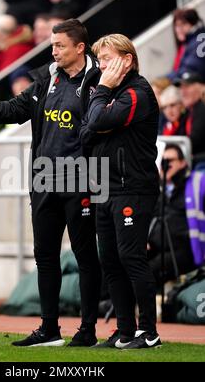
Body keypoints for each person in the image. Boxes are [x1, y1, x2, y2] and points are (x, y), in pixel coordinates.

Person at [0, 19, 102, 348]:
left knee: (86, 257)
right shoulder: (47, 78)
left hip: (85, 177)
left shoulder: (100, 80)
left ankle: (87, 329)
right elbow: (14, 109)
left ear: (80, 48)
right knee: (44, 255)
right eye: (52, 45)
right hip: (43, 176)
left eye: (59, 46)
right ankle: (49, 328)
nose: (52, 51)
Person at [80, 34, 162, 350]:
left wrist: (101, 101)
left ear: (126, 60)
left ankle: (149, 332)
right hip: (105, 187)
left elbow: (96, 119)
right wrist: (99, 115)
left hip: (134, 189)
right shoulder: (108, 93)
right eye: (99, 60)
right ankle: (124, 331)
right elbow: (86, 131)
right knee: (111, 261)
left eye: (106, 59)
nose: (101, 66)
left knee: (131, 257)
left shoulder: (138, 92)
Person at [148, 144, 197, 286]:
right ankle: (105, 303)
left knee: (148, 270)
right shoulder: (159, 193)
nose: (165, 165)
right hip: (156, 247)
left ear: (183, 163)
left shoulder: (192, 189)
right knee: (123, 260)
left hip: (183, 249)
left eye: (170, 161)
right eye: (163, 161)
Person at [168, 8, 205, 82]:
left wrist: (167, 79)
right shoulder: (185, 45)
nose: (179, 29)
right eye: (177, 25)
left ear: (193, 25)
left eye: (183, 24)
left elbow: (191, 68)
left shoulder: (199, 41)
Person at [174, 71, 205, 158]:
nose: (183, 92)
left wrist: (176, 152)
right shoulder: (188, 111)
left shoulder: (202, 109)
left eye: (187, 87)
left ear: (202, 88)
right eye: (181, 87)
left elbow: (194, 140)